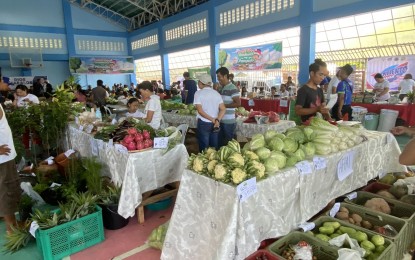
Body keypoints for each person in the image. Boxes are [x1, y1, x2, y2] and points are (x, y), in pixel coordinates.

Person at [0, 102, 20, 235]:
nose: (5, 83)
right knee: (7, 189)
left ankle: (7, 218)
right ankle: (11, 228)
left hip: (4, 157)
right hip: (3, 158)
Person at [194, 74, 226, 151]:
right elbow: (223, 109)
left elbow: (200, 111)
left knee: (204, 147)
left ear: (201, 83)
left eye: (198, 81)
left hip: (204, 123)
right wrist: (217, 120)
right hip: (216, 124)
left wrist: (212, 119)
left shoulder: (198, 93)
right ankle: (213, 162)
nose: (198, 83)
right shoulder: (216, 93)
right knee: (214, 146)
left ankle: (203, 162)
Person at [295, 59, 330, 123]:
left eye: (324, 75)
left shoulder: (320, 90)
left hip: (320, 125)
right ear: (312, 73)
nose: (323, 78)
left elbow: (323, 108)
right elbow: (298, 111)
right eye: (320, 74)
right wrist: (317, 109)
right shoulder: (303, 90)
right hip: (307, 127)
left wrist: (329, 119)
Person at [216, 67, 241, 146]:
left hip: (228, 121)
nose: (218, 79)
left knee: (229, 143)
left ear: (225, 76)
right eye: (217, 77)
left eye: (219, 77)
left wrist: (224, 106)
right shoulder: (221, 88)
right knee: (221, 143)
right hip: (221, 119)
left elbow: (238, 103)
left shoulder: (232, 88)